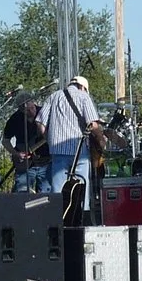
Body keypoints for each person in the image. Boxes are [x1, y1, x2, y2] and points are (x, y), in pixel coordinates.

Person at [40, 76, 103, 208]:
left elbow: (40, 123)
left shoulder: (53, 97)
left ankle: (57, 219)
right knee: (81, 186)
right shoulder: (83, 96)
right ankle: (81, 218)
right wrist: (101, 140)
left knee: (58, 188)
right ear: (82, 87)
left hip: (57, 150)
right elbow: (92, 124)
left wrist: (49, 140)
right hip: (79, 150)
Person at [2, 88, 49, 193]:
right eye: (27, 110)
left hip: (45, 162)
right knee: (22, 194)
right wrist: (16, 153)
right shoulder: (15, 119)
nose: (31, 111)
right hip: (25, 165)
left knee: (46, 195)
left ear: (34, 102)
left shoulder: (44, 113)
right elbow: (5, 141)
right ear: (20, 109)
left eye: (32, 108)